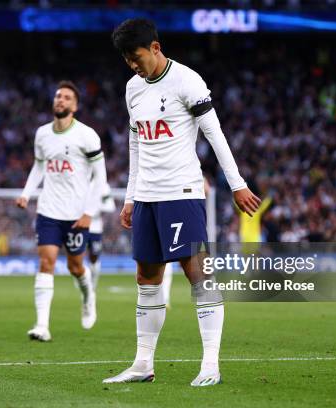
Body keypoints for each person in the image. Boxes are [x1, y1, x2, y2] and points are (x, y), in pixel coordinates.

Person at [104, 19, 261, 386]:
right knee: (147, 278)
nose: (132, 64)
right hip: (146, 197)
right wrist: (129, 198)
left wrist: (237, 184)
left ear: (155, 48)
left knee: (198, 274)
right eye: (126, 59)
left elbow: (214, 133)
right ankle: (143, 363)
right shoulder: (132, 89)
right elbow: (136, 145)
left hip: (182, 193)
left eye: (136, 56)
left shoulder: (187, 81)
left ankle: (210, 364)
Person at [16, 80, 108, 342]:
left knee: (76, 266)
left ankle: (88, 297)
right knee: (46, 262)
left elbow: (99, 176)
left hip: (77, 214)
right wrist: (26, 193)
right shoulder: (42, 134)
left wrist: (90, 211)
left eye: (67, 97)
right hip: (48, 210)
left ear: (75, 106)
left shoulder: (87, 136)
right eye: (58, 96)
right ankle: (42, 325)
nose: (61, 100)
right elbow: (38, 166)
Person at [87, 183, 116, 289]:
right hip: (78, 225)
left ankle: (93, 286)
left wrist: (96, 206)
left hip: (95, 227)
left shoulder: (103, 185)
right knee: (76, 256)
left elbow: (110, 206)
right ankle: (83, 282)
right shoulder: (78, 178)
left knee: (94, 257)